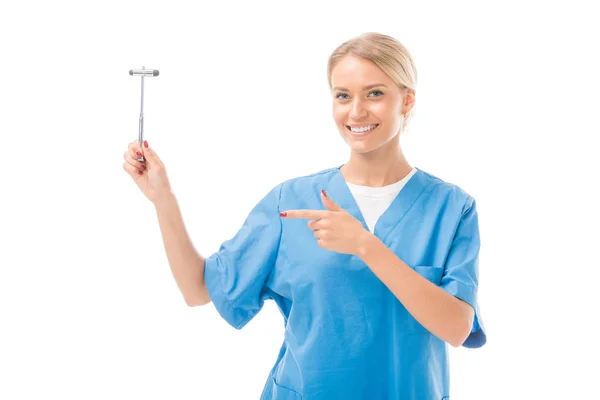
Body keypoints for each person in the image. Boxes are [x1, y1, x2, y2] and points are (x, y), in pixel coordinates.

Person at [123, 32, 486, 400]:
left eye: (374, 93)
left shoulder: (451, 208)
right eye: (342, 95)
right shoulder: (291, 202)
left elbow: (457, 328)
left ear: (406, 100)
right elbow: (198, 290)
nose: (356, 110)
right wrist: (163, 199)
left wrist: (365, 245)